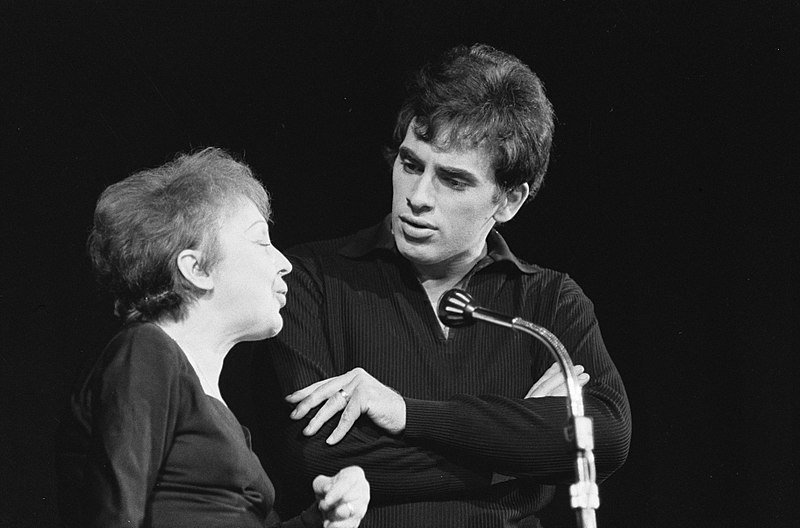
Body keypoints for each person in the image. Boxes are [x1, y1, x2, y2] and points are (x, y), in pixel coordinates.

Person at [244, 44, 631, 527]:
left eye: (452, 180)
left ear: (509, 201)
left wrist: (406, 414)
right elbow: (319, 457)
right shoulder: (310, 278)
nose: (418, 197)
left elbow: (606, 436)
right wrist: (518, 446)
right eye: (410, 164)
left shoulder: (548, 301)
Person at [54, 148, 370, 528]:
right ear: (197, 268)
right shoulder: (146, 353)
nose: (285, 263)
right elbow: (114, 515)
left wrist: (325, 518)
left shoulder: (212, 404)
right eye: (261, 242)